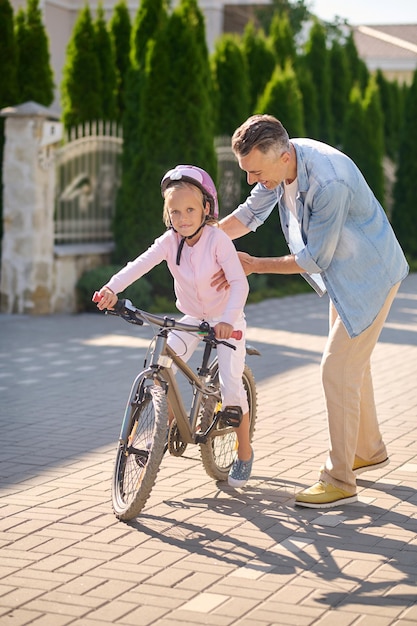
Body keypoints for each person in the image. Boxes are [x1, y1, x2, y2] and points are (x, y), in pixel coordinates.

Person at [213, 114, 409, 508]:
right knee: (354, 366)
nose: (252, 180)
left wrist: (255, 264)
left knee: (336, 369)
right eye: (247, 172)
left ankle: (340, 478)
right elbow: (251, 214)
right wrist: (202, 237)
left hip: (370, 276)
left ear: (283, 157)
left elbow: (315, 259)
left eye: (255, 172)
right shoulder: (281, 164)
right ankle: (367, 449)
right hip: (345, 278)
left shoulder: (327, 182)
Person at [95, 165, 253, 488]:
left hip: (226, 320)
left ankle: (245, 452)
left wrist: (227, 319)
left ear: (206, 209)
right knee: (163, 357)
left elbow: (239, 284)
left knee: (231, 384)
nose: (183, 218)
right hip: (193, 318)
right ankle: (160, 430)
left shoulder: (217, 240)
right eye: (175, 211)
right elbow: (139, 264)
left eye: (190, 210)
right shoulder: (170, 242)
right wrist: (112, 288)